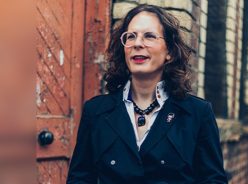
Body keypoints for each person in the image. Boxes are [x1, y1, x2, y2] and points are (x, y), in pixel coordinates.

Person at [67, 4, 228, 184]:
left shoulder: (198, 113)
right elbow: (79, 178)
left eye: (149, 36)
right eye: (131, 37)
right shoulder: (95, 111)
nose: (137, 43)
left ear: (169, 52)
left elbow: (214, 180)